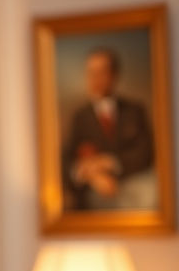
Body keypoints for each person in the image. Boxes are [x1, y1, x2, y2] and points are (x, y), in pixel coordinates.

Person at [61, 47, 156, 210]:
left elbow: (146, 152)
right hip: (91, 197)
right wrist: (92, 176)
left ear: (114, 75)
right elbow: (66, 161)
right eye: (91, 73)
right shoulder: (79, 117)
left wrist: (109, 162)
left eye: (102, 72)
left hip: (133, 189)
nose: (96, 79)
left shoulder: (134, 110)